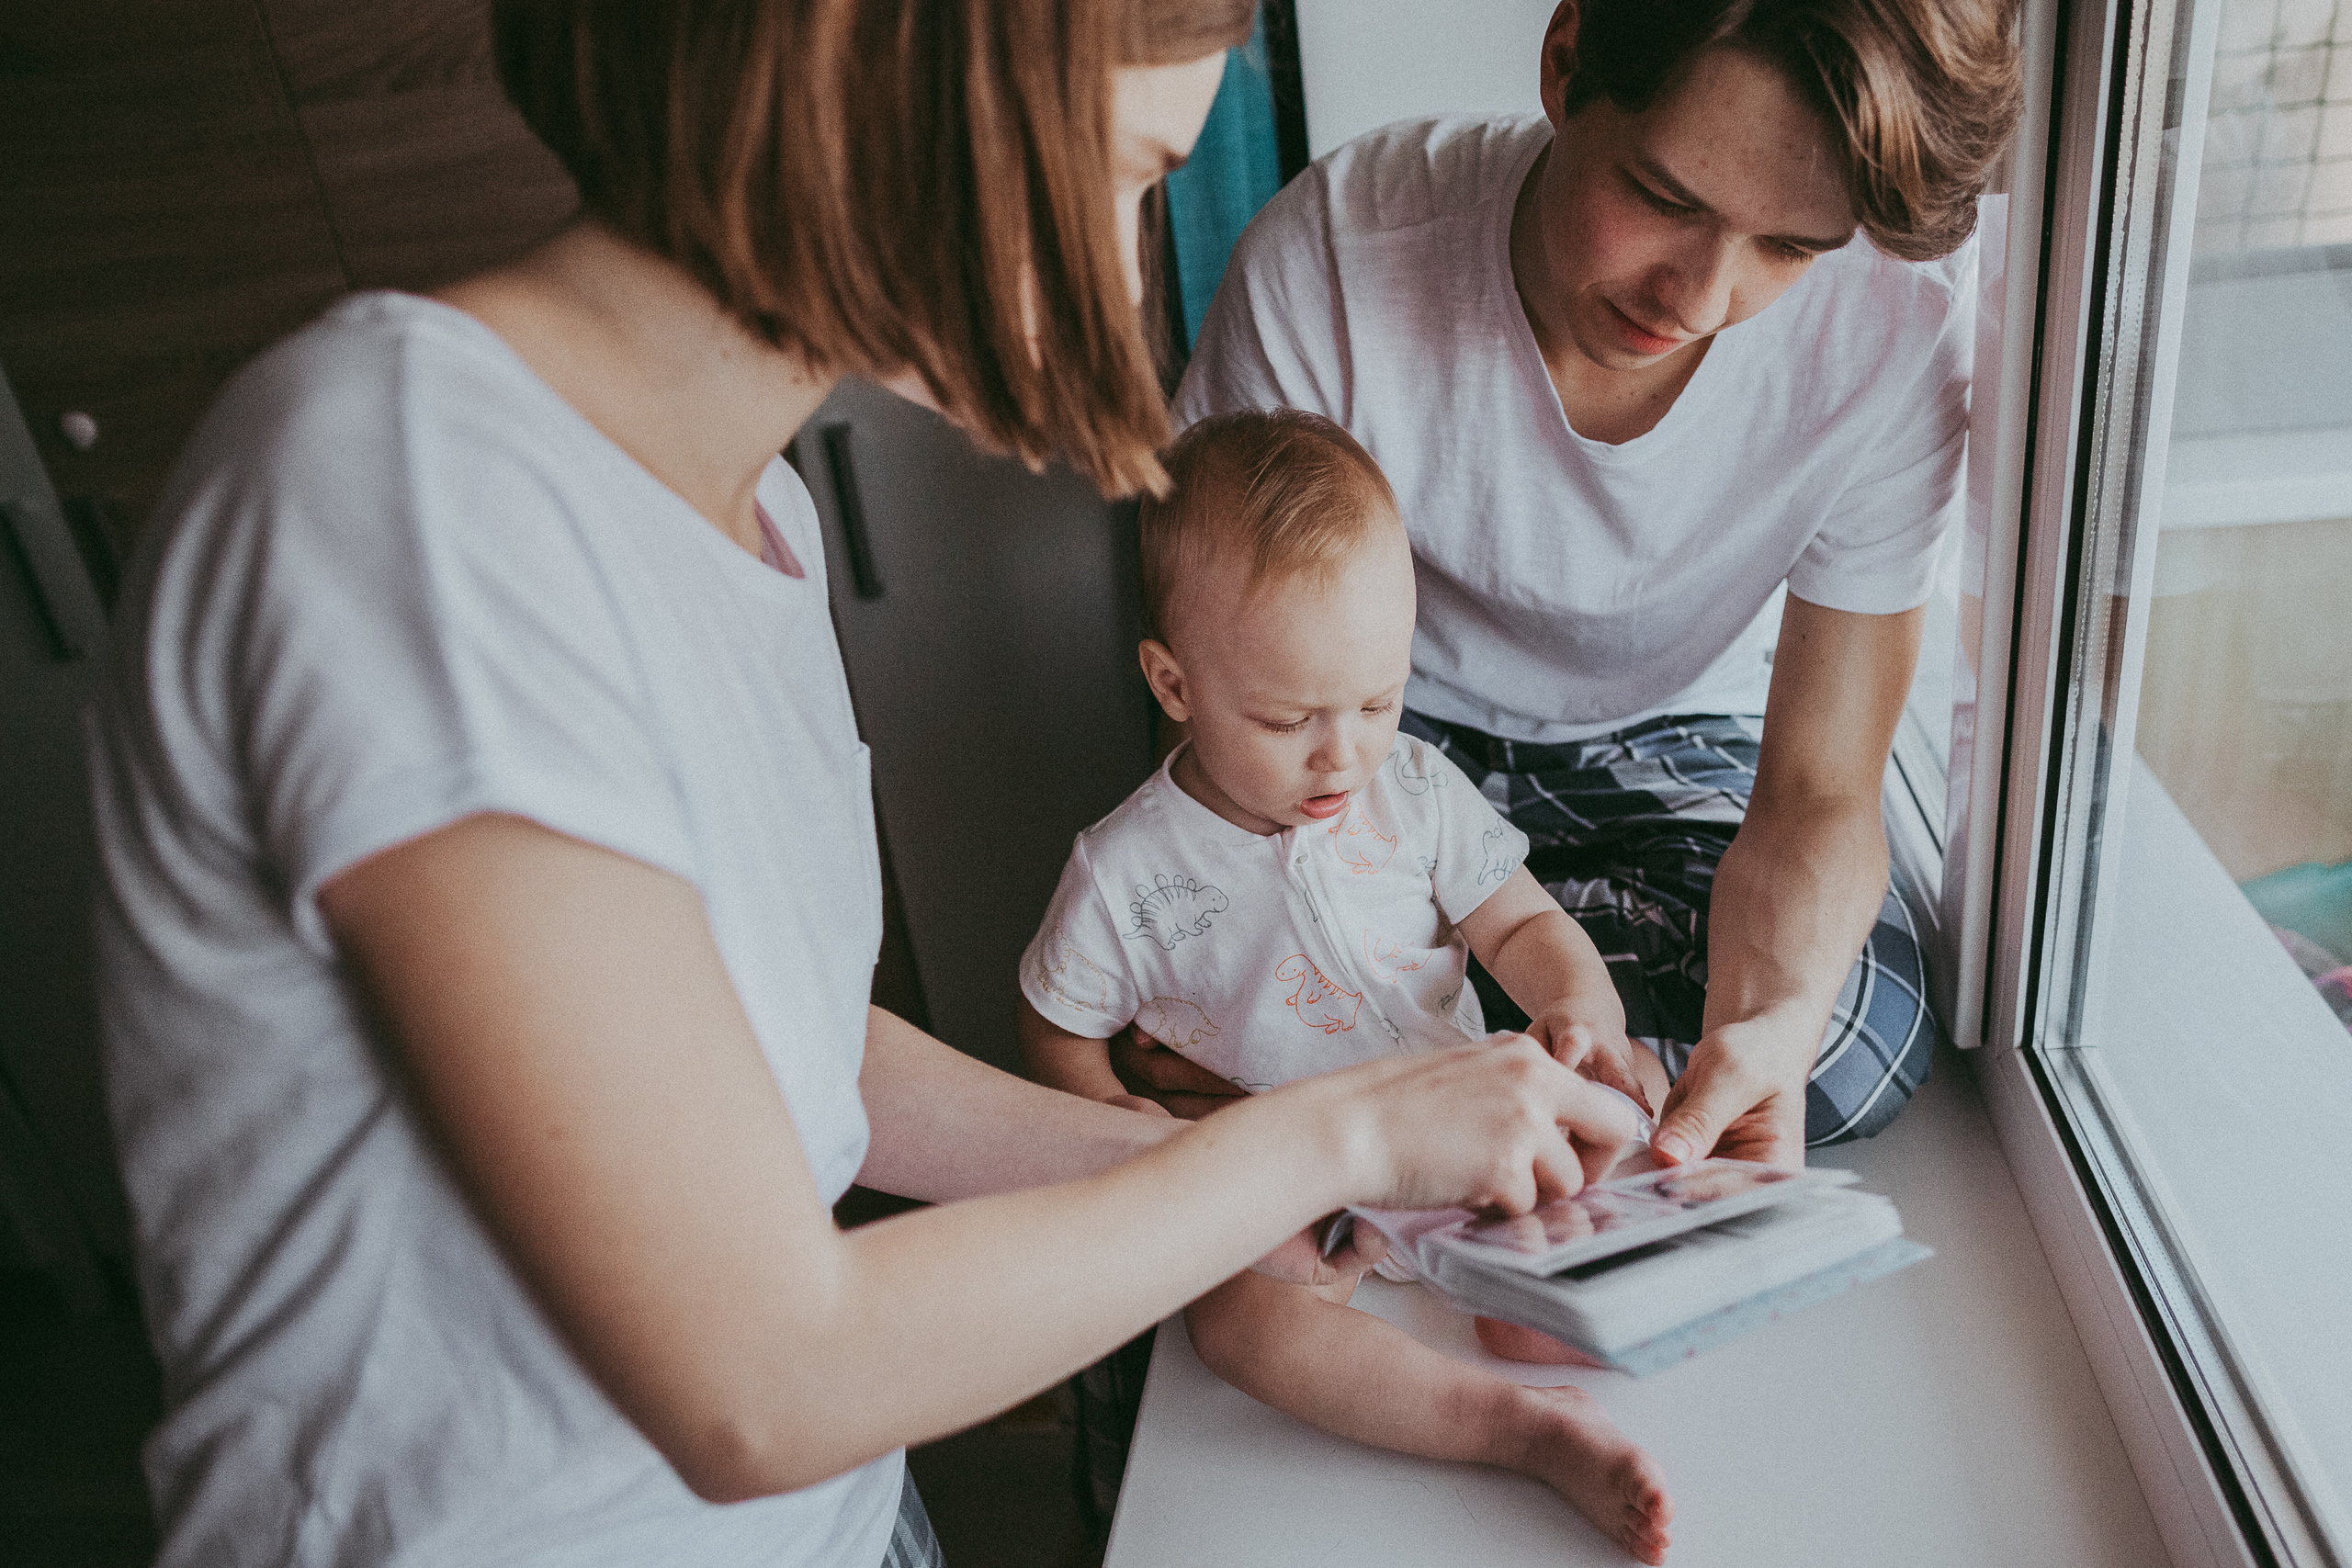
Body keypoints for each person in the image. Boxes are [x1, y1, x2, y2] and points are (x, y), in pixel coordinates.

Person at [84, 6, 1648, 1565]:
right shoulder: (412, 494)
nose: (1114, 285)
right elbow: (756, 1375)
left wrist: (1222, 1171)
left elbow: (799, 1053)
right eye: (1115, 170)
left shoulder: (753, 510)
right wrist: (1339, 1141)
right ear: (884, 62)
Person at [1122, 0, 2023, 1193]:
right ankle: (1510, 1078)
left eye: (1789, 247)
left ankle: (1453, 1087)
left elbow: (1818, 788)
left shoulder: (1899, 332)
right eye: (1665, 196)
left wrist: (1772, 1022)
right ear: (1564, 61)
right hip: (1377, 736)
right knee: (1234, 969)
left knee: (1857, 1028)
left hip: (1680, 740)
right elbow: (1226, 695)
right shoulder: (1337, 259)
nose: (1701, 297)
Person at [1017, 407, 1675, 1563]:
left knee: (1626, 1121)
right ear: (1174, 685)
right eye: (1287, 719)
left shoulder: (1412, 787)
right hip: (1287, 1177)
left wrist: (1580, 1002)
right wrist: (1132, 1127)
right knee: (1233, 1329)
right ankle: (1508, 1430)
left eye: (1377, 701)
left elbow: (1516, 917)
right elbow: (1057, 1025)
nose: (1343, 755)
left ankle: (1546, 1298)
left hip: (1469, 1129)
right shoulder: (1123, 874)